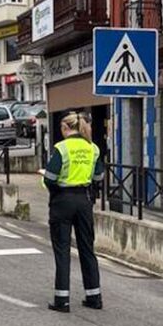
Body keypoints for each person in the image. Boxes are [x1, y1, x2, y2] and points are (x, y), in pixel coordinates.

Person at [42, 111, 105, 313]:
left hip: (63, 200)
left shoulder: (62, 148)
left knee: (62, 250)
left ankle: (62, 300)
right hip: (84, 200)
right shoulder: (92, 148)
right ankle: (94, 296)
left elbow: (50, 178)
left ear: (65, 128)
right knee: (87, 249)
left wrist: (56, 189)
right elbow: (99, 176)